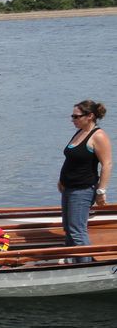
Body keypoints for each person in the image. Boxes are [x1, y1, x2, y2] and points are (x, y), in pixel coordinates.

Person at [58, 99, 111, 262]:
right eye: (72, 116)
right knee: (68, 228)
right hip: (68, 188)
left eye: (76, 116)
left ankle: (84, 266)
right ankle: (71, 259)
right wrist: (62, 181)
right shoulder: (80, 131)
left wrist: (101, 191)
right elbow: (72, 159)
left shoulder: (98, 135)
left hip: (82, 190)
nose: (72, 119)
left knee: (77, 230)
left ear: (90, 116)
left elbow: (107, 164)